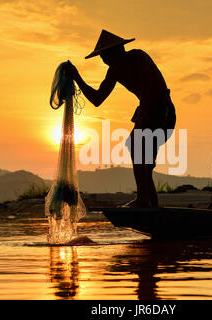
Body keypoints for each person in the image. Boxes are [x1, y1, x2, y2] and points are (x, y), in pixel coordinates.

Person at [64, 30, 176, 208]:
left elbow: (148, 89)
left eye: (105, 55)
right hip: (148, 112)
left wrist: (142, 119)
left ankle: (143, 200)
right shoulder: (114, 71)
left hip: (161, 109)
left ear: (117, 51)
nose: (104, 60)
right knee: (140, 156)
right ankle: (152, 204)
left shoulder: (138, 57)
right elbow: (97, 99)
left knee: (138, 149)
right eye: (102, 57)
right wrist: (77, 76)